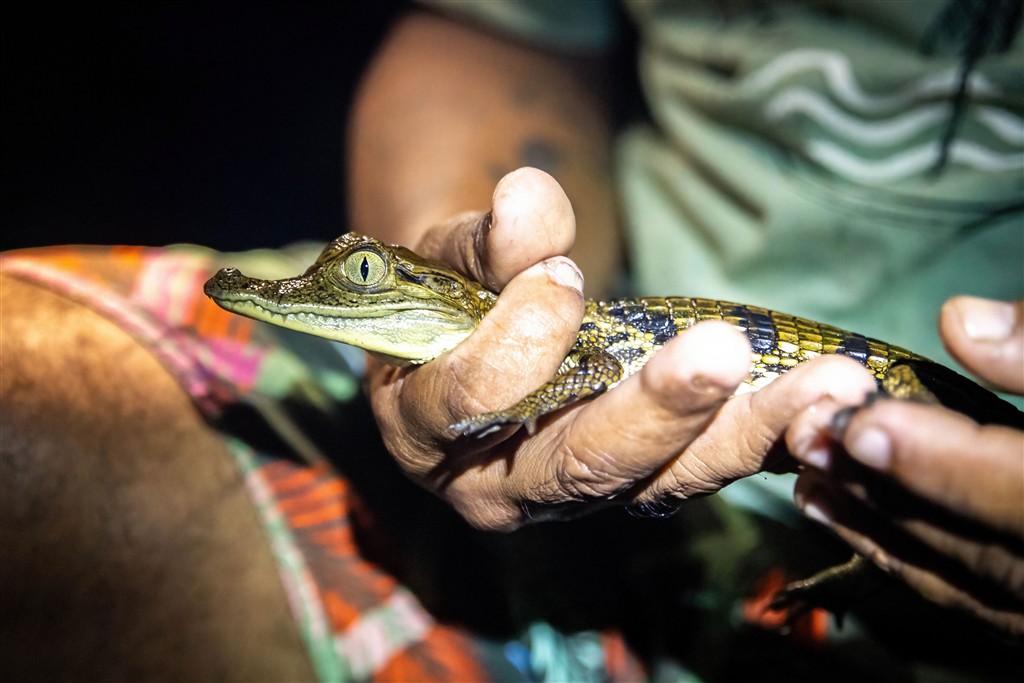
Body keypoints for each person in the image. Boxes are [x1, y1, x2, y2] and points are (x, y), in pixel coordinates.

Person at [2, 3, 1021, 681]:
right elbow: (497, 36)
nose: (329, 293)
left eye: (366, 278)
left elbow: (584, 363)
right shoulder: (513, 314)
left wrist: (530, 397)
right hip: (612, 298)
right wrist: (456, 263)